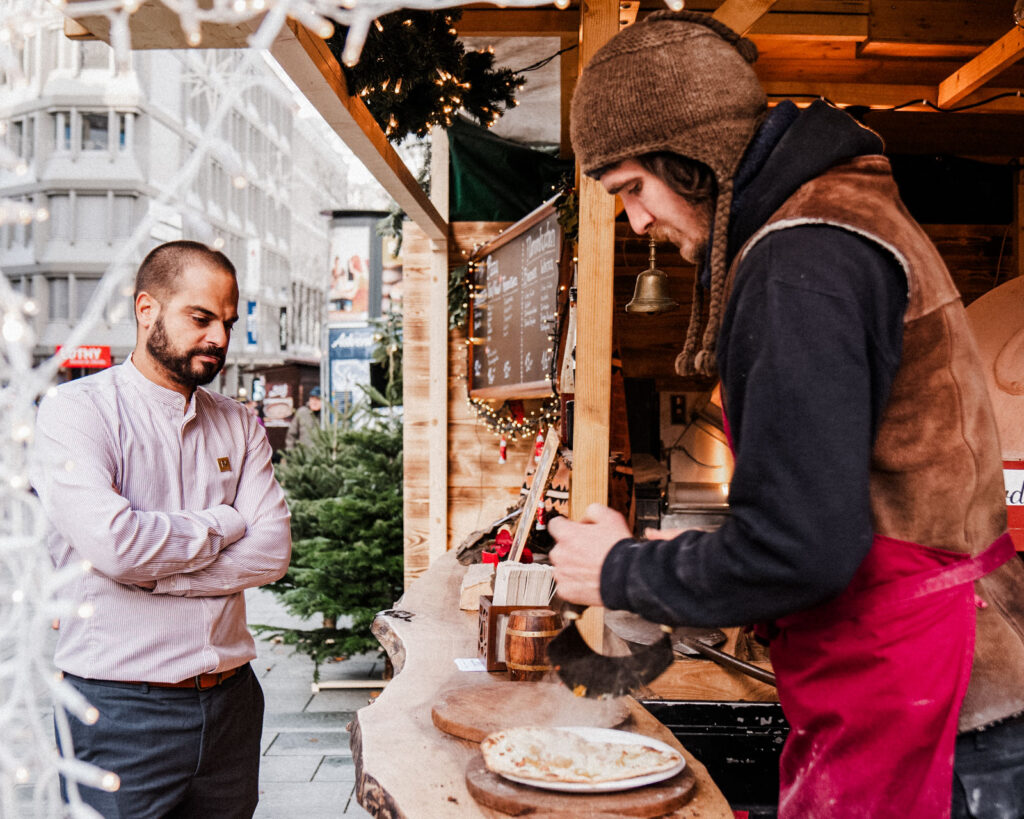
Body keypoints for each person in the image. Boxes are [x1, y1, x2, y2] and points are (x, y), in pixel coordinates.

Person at [548, 11, 1024, 818]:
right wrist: (699, 561)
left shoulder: (800, 259)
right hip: (928, 678)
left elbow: (805, 549)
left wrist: (622, 570)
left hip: (929, 704)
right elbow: (832, 507)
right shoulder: (839, 219)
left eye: (633, 187)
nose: (636, 222)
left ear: (690, 154)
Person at [30, 240, 292, 818]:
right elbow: (118, 546)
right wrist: (226, 522)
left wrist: (159, 578)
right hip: (118, 711)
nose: (219, 338)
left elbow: (271, 551)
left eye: (226, 321)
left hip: (232, 706)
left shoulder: (238, 423)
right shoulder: (75, 412)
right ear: (146, 309)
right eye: (200, 319)